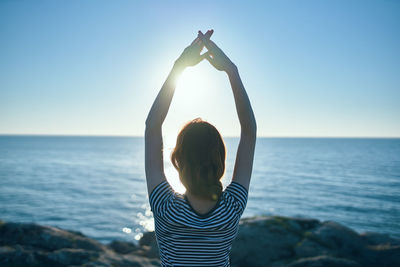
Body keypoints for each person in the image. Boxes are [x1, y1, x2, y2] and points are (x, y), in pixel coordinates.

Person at [145, 29, 257, 266]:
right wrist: (232, 71)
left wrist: (179, 67)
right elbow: (249, 132)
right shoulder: (232, 207)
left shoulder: (165, 208)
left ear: (178, 160)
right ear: (220, 160)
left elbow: (152, 126)